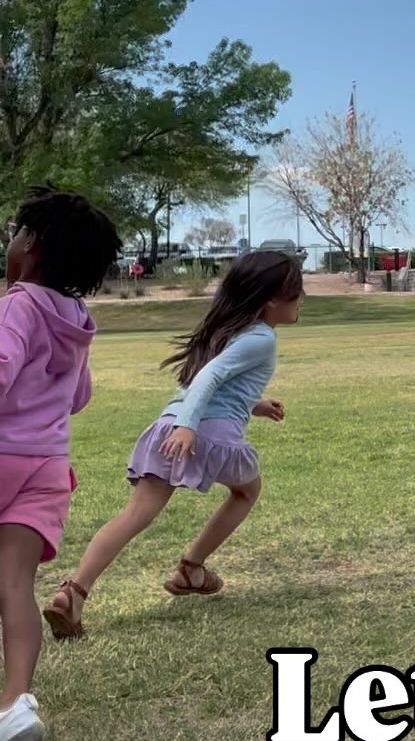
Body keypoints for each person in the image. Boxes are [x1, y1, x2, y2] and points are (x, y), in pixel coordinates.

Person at [46, 249, 303, 638]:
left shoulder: (227, 330)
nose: (303, 299)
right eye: (297, 292)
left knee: (134, 515)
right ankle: (191, 568)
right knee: (248, 491)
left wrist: (255, 405)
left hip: (168, 425)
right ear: (271, 299)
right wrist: (189, 426)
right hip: (200, 433)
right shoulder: (261, 338)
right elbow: (209, 379)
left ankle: (73, 593)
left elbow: (217, 386)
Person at [0, 187, 121, 741]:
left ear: (34, 247)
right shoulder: (79, 319)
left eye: (17, 232)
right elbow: (78, 395)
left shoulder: (18, 304)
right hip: (47, 466)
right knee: (14, 585)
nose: (11, 240)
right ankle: (14, 706)